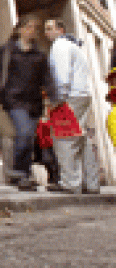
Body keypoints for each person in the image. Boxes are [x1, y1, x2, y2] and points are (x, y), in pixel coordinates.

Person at [0, 15, 56, 191]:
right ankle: (20, 173)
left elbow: (46, 78)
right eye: (28, 26)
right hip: (14, 100)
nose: (31, 30)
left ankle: (23, 175)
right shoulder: (7, 50)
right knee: (24, 132)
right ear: (19, 29)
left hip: (34, 103)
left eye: (34, 28)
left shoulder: (39, 55)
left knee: (28, 138)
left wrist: (54, 96)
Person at [44, 19, 100, 194]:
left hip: (69, 97)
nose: (47, 33)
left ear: (61, 30)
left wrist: (56, 101)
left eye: (50, 28)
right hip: (82, 95)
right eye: (46, 29)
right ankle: (91, 183)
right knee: (82, 140)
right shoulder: (75, 47)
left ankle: (70, 183)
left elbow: (62, 74)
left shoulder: (60, 46)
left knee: (65, 140)